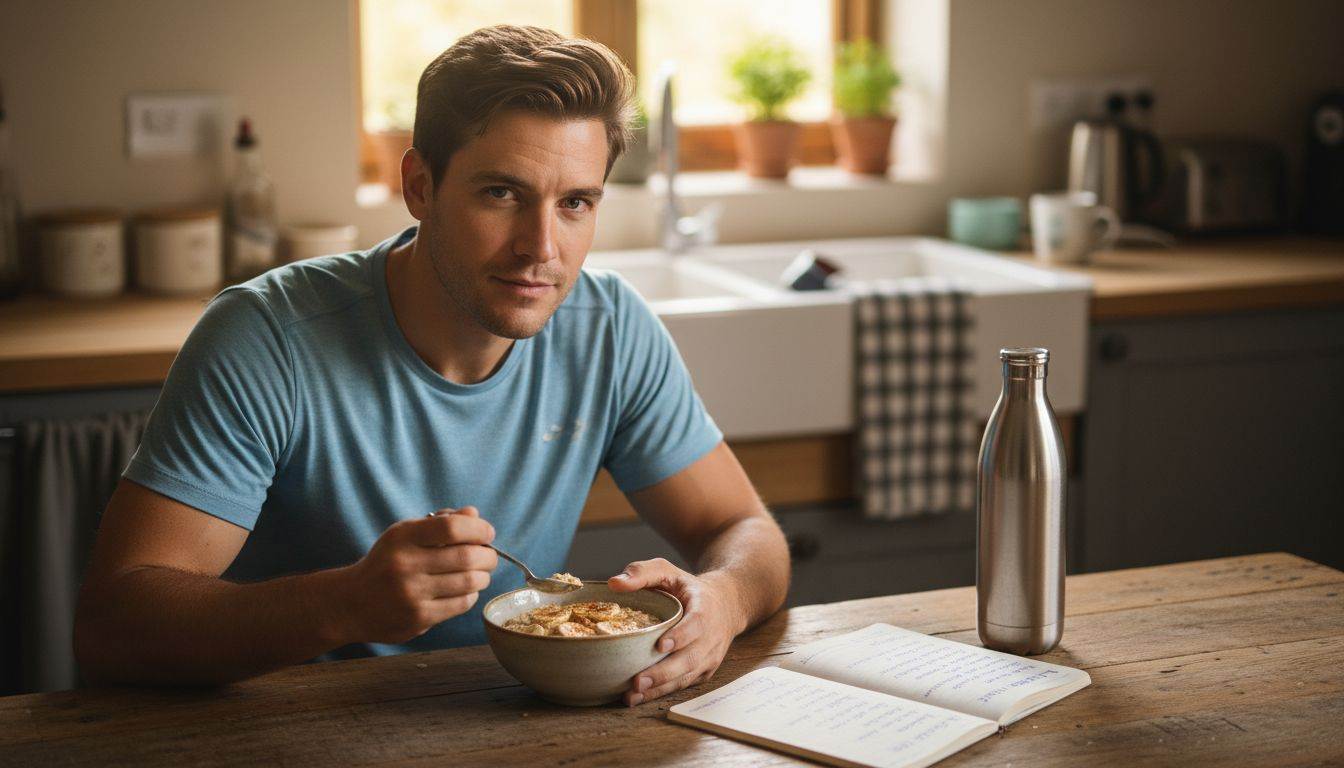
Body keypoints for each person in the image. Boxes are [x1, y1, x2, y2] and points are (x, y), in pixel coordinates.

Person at [72, 25, 789, 706]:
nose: (541, 246)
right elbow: (113, 625)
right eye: (502, 193)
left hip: (501, 720)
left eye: (575, 203)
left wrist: (723, 598)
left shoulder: (611, 328)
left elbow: (745, 531)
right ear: (420, 187)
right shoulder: (265, 337)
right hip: (276, 726)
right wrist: (344, 604)